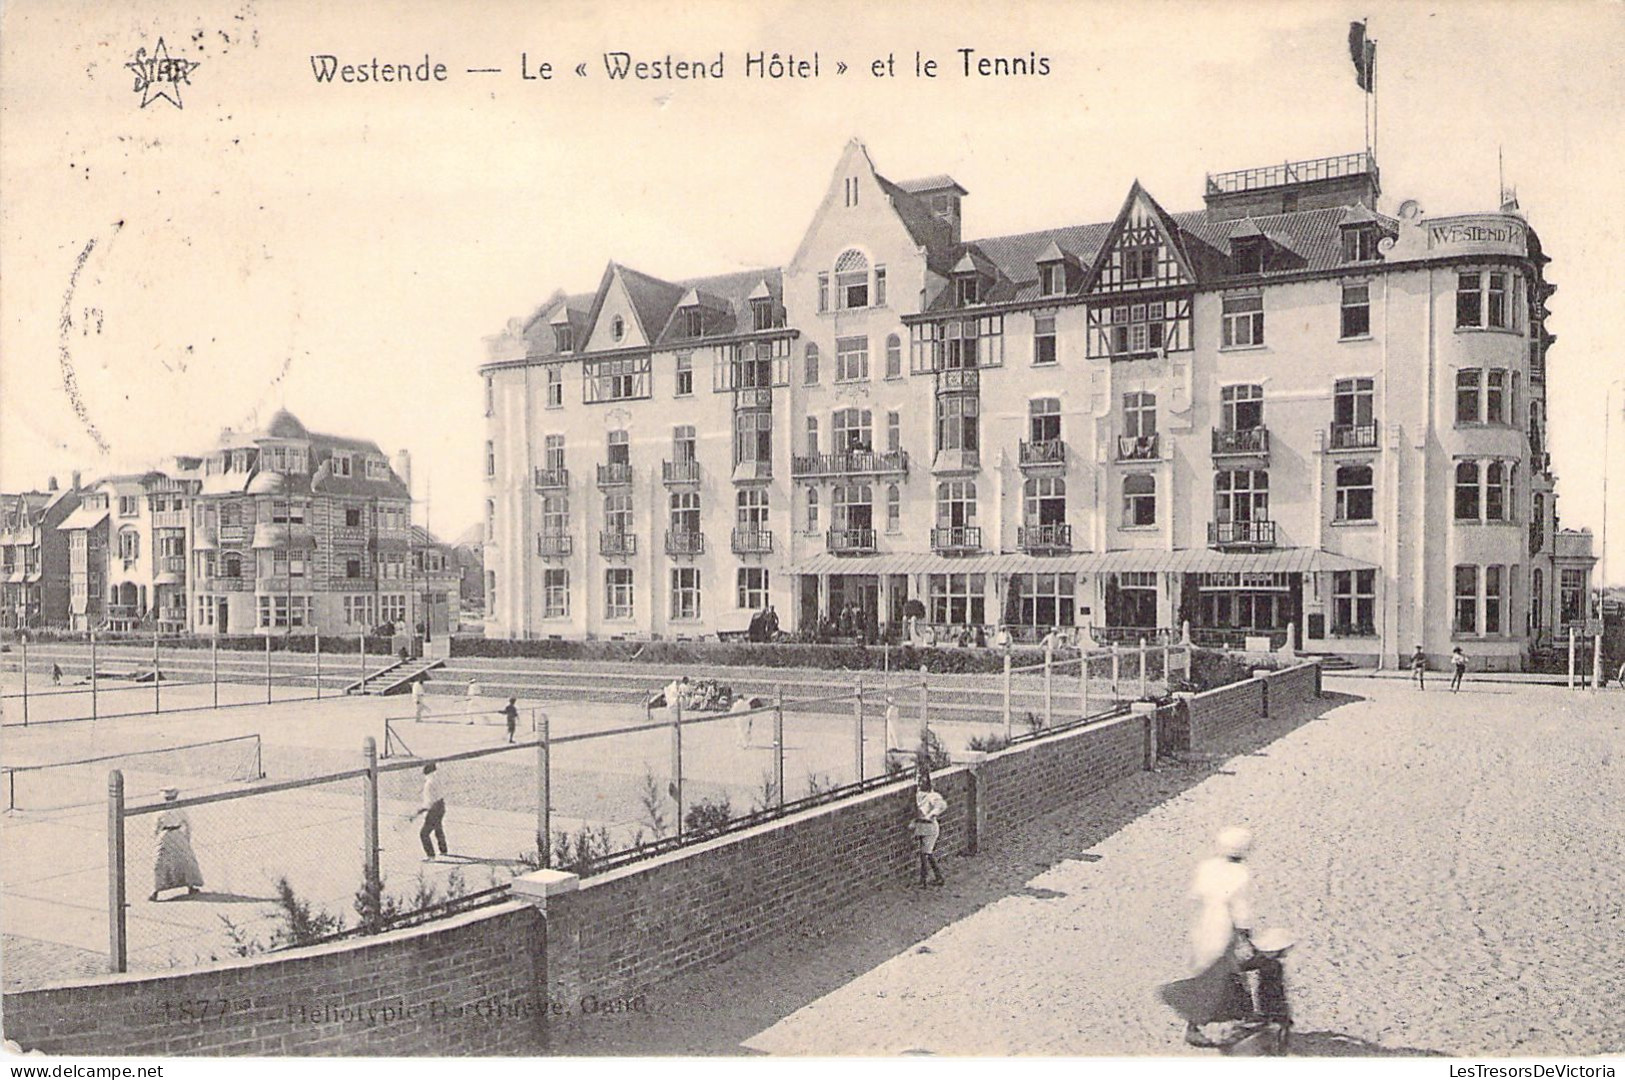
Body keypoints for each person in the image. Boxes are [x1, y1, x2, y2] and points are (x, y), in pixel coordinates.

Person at [1159, 826, 1258, 1047]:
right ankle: (1199, 1025)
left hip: (1203, 923)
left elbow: (1196, 894)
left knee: (1211, 971)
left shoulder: (1207, 867)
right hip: (1224, 926)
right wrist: (1245, 933)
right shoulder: (1240, 874)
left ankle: (1243, 1017)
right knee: (1219, 976)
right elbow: (1239, 907)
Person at [149, 788, 203, 901]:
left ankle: (155, 891)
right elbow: (188, 825)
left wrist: (155, 839)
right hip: (178, 835)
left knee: (160, 862)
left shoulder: (160, 811)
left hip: (165, 835)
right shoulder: (180, 810)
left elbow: (155, 828)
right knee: (185, 860)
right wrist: (187, 838)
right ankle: (190, 885)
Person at [912, 772, 947, 888]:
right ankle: (939, 877)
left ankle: (924, 881)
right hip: (922, 827)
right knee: (928, 853)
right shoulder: (919, 795)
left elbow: (941, 806)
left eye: (923, 782)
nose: (921, 784)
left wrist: (931, 814)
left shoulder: (933, 796)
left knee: (924, 854)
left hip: (930, 828)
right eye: (919, 782)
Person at [413, 762, 448, 861]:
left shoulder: (428, 784)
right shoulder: (438, 779)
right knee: (438, 827)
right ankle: (443, 849)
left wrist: (418, 812)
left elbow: (428, 804)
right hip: (441, 806)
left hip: (434, 810)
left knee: (424, 834)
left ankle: (430, 855)